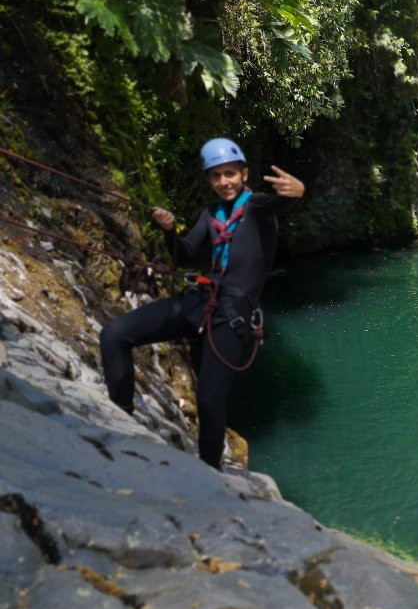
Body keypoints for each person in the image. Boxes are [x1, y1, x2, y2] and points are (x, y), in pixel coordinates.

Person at [99, 138, 305, 469]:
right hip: (202, 300)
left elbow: (280, 202)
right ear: (209, 179)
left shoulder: (258, 208)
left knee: (210, 399)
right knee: (113, 335)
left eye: (230, 174)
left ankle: (209, 472)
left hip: (234, 315)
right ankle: (122, 422)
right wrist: (169, 231)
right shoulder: (210, 214)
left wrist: (296, 191)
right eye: (216, 176)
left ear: (244, 173)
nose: (224, 182)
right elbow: (185, 256)